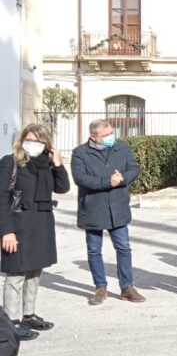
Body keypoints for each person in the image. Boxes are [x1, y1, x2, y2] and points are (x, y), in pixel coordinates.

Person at [0, 124, 70, 340]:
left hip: (41, 225)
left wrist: (57, 163)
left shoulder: (46, 164)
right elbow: (1, 198)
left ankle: (28, 315)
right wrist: (7, 232)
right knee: (16, 274)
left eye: (39, 141)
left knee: (34, 272)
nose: (34, 145)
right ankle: (11, 322)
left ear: (46, 144)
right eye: (29, 140)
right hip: (18, 226)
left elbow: (63, 187)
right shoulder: (10, 162)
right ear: (22, 140)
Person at [71, 119, 145, 305]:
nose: (111, 137)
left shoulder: (122, 147)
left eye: (112, 133)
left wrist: (123, 178)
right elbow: (81, 178)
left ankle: (127, 287)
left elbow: (133, 168)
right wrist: (106, 182)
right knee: (94, 250)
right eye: (106, 135)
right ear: (93, 137)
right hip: (93, 208)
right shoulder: (80, 153)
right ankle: (100, 288)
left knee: (123, 248)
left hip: (117, 207)